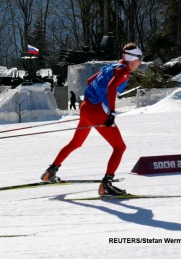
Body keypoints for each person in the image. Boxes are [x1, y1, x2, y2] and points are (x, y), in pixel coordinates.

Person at [40, 43, 143, 196]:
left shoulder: (112, 66)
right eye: (140, 58)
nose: (140, 62)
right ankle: (106, 184)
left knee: (75, 143)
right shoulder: (124, 72)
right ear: (132, 58)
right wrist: (112, 113)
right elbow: (111, 87)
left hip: (86, 107)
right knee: (119, 147)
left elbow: (89, 81)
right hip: (97, 112)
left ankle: (51, 171)